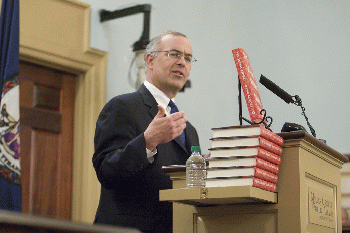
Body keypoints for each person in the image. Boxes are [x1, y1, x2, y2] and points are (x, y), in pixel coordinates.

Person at [92, 30, 200, 233]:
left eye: (188, 58)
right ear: (150, 60)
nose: (182, 62)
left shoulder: (189, 130)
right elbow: (106, 171)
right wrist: (147, 142)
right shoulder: (122, 106)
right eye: (174, 54)